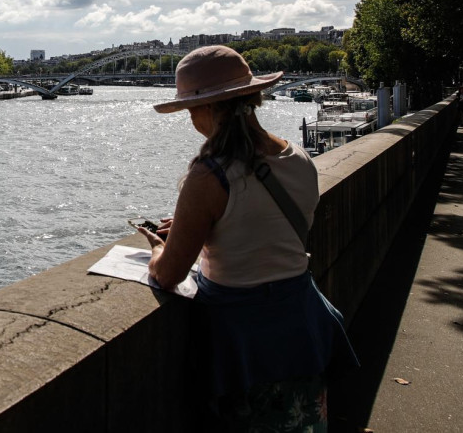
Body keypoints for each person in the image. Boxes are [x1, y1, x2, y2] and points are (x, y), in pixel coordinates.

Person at [138, 45, 356, 431]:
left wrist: (160, 247)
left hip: (245, 343)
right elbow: (261, 229)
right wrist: (198, 227)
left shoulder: (209, 176)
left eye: (190, 109)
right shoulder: (299, 157)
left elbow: (169, 274)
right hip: (304, 326)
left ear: (206, 108)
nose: (191, 119)